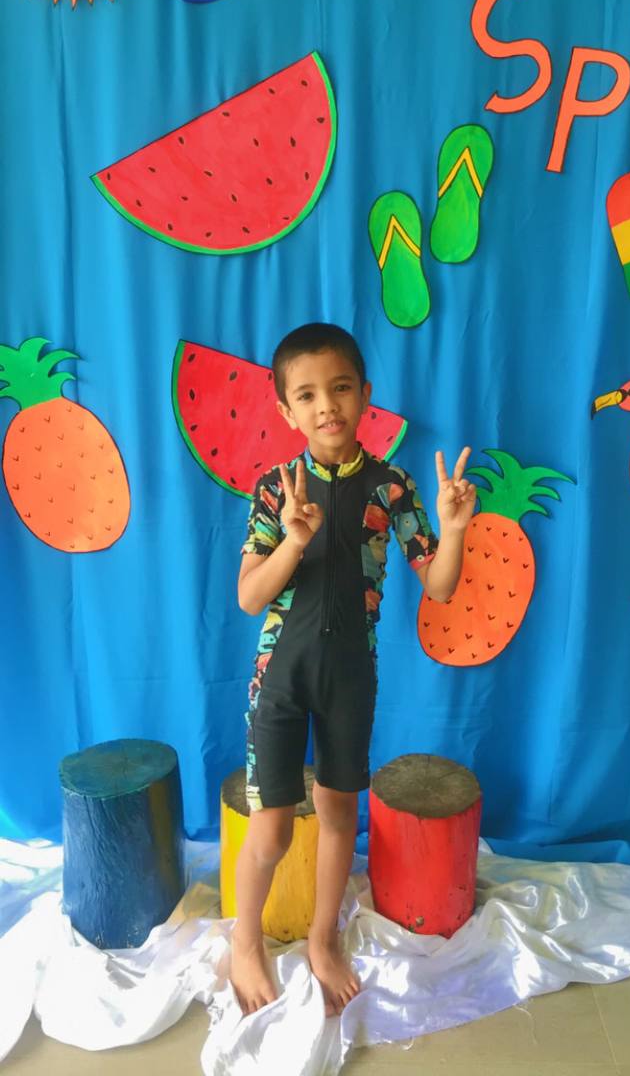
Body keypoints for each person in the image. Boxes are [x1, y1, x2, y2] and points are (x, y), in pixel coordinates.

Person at [230, 322, 476, 1017]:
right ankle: (243, 941)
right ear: (286, 412)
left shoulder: (392, 486)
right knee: (271, 829)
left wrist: (453, 533)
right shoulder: (277, 490)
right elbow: (251, 595)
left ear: (365, 394)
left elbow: (439, 586)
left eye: (339, 388)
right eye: (306, 394)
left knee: (340, 815)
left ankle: (321, 938)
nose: (326, 405)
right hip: (278, 680)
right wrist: (294, 541)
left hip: (351, 679)